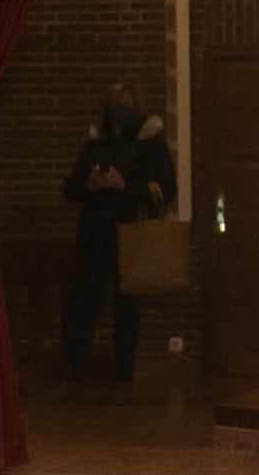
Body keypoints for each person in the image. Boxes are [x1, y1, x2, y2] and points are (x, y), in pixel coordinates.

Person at [57, 87, 174, 386]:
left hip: (130, 234)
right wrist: (91, 185)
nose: (120, 111)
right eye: (115, 105)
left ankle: (121, 380)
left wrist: (126, 186)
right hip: (94, 236)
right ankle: (72, 378)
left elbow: (166, 189)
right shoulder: (98, 144)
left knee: (127, 312)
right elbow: (71, 187)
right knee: (83, 307)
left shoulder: (150, 144)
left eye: (126, 105)